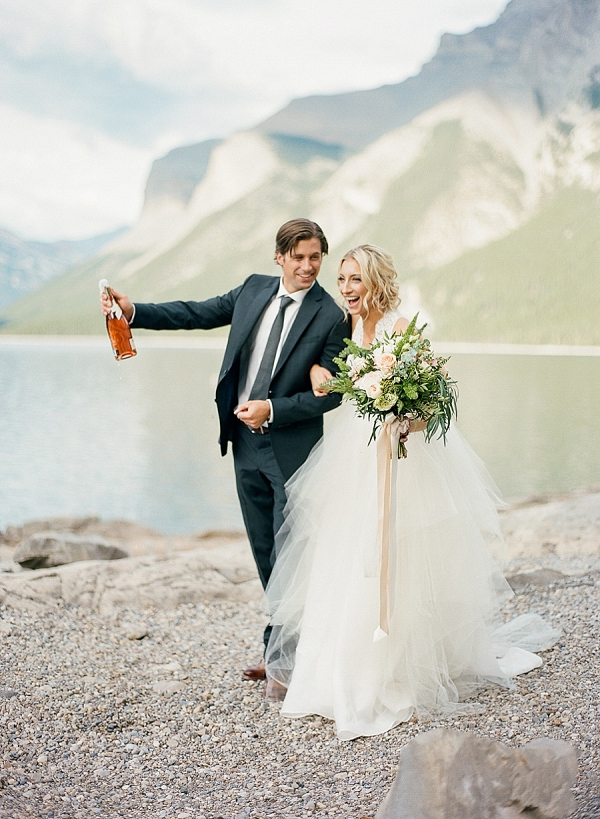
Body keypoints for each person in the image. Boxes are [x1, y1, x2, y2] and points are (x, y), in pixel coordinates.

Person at [263, 244, 560, 740]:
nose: (347, 289)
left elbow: (433, 402)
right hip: (353, 455)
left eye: (355, 279)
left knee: (398, 555)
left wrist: (404, 422)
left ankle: (394, 670)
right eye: (342, 280)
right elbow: (332, 378)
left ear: (375, 280)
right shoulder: (348, 329)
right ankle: (331, 675)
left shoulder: (403, 329)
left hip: (401, 461)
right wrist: (320, 375)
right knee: (346, 554)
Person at [100, 219, 348, 694]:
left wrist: (273, 409)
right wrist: (133, 311)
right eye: (298, 257)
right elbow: (195, 312)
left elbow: (330, 395)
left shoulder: (330, 315)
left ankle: (283, 662)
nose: (308, 266)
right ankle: (279, 649)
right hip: (242, 442)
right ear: (280, 257)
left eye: (315, 257)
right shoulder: (253, 290)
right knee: (263, 550)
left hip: (292, 450)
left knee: (288, 552)